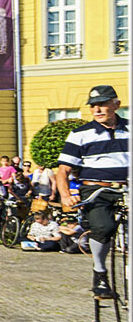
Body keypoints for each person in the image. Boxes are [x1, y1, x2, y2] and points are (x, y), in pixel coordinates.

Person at [55, 85, 128, 299]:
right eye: (93, 106)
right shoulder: (80, 134)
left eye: (102, 104)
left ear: (116, 105)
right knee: (103, 228)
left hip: (126, 186)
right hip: (97, 189)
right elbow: (64, 170)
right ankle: (100, 272)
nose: (97, 109)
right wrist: (66, 195)